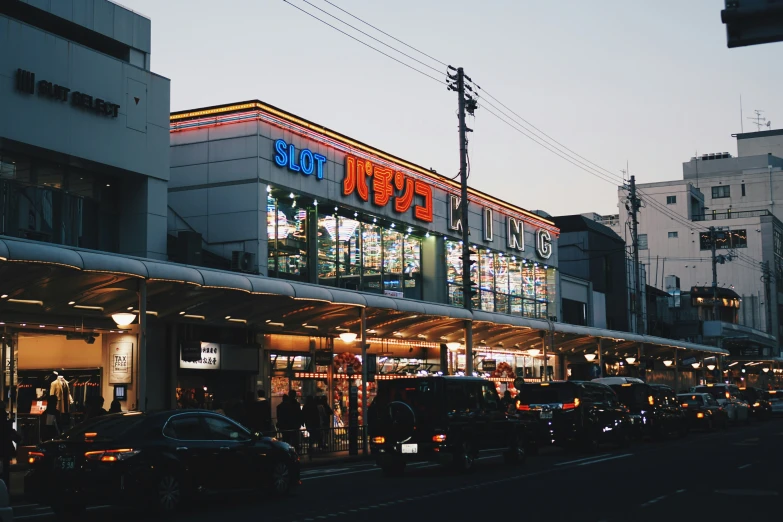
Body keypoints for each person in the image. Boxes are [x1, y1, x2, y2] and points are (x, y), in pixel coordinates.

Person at [0, 401, 20, 488]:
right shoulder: (4, 417)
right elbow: (8, 431)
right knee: (6, 467)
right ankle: (5, 485)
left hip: (4, 444)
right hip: (5, 445)